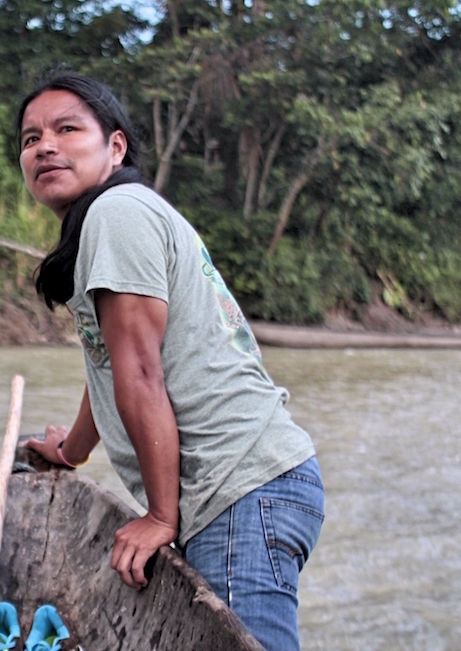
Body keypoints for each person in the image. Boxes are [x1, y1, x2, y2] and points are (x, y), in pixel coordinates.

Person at [20, 71, 324, 651]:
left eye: (66, 129)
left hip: (237, 489)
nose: (45, 147)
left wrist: (161, 516)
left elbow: (140, 373)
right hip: (255, 486)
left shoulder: (117, 213)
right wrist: (71, 451)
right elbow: (109, 364)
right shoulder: (109, 220)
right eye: (31, 139)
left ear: (115, 146)